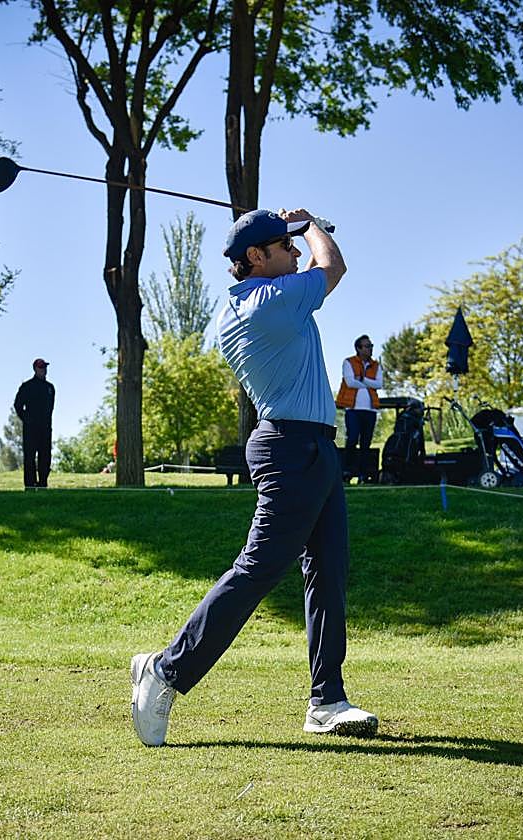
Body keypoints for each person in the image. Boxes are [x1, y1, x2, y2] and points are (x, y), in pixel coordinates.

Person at [130, 207, 378, 747]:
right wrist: (311, 224)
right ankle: (166, 671)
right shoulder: (268, 302)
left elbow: (314, 267)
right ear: (255, 258)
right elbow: (332, 266)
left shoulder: (262, 298)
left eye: (293, 245)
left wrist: (296, 231)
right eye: (283, 247)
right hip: (290, 447)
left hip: (313, 446)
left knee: (328, 570)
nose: (294, 253)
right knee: (259, 569)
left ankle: (326, 699)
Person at [336, 334, 382, 483]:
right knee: (352, 438)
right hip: (353, 409)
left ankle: (363, 474)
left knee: (366, 442)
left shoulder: (376, 365)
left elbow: (379, 384)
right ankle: (346, 471)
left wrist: (362, 379)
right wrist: (369, 382)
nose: (370, 349)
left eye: (371, 346)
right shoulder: (348, 362)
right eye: (367, 346)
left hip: (370, 410)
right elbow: (350, 382)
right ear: (358, 348)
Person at [14, 358, 55, 489]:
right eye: (41, 367)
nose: (43, 370)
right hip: (30, 428)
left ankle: (43, 482)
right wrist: (26, 419)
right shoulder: (27, 386)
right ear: (35, 369)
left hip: (45, 428)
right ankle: (30, 484)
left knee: (45, 456)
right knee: (30, 457)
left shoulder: (50, 388)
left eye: (44, 367)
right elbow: (18, 405)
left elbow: (50, 408)